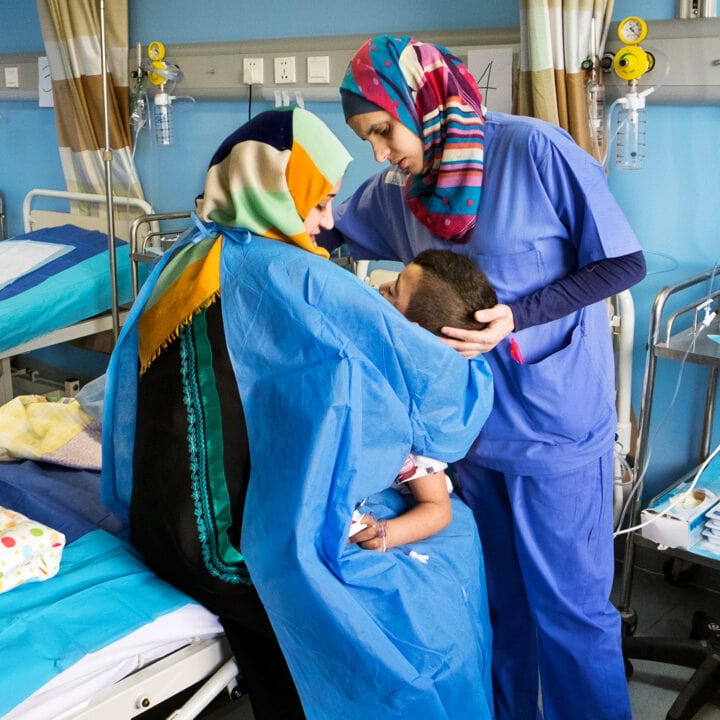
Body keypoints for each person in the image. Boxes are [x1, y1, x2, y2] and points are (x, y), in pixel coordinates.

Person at [102, 106, 495, 719]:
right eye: (317, 202)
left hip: (157, 515)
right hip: (223, 543)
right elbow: (449, 413)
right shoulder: (294, 275)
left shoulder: (187, 253)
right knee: (402, 608)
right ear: (276, 189)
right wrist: (478, 358)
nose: (327, 221)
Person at [324, 34, 647, 720]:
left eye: (383, 130)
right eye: (367, 140)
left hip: (553, 425)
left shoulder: (533, 150)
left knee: (570, 613)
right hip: (466, 434)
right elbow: (330, 233)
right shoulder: (400, 190)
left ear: (421, 100)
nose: (379, 152)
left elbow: (621, 265)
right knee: (499, 605)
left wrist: (517, 316)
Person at [351, 249, 498, 552]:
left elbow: (437, 509)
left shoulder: (417, 418)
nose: (379, 288)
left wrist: (384, 533)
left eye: (392, 290)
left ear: (410, 334)